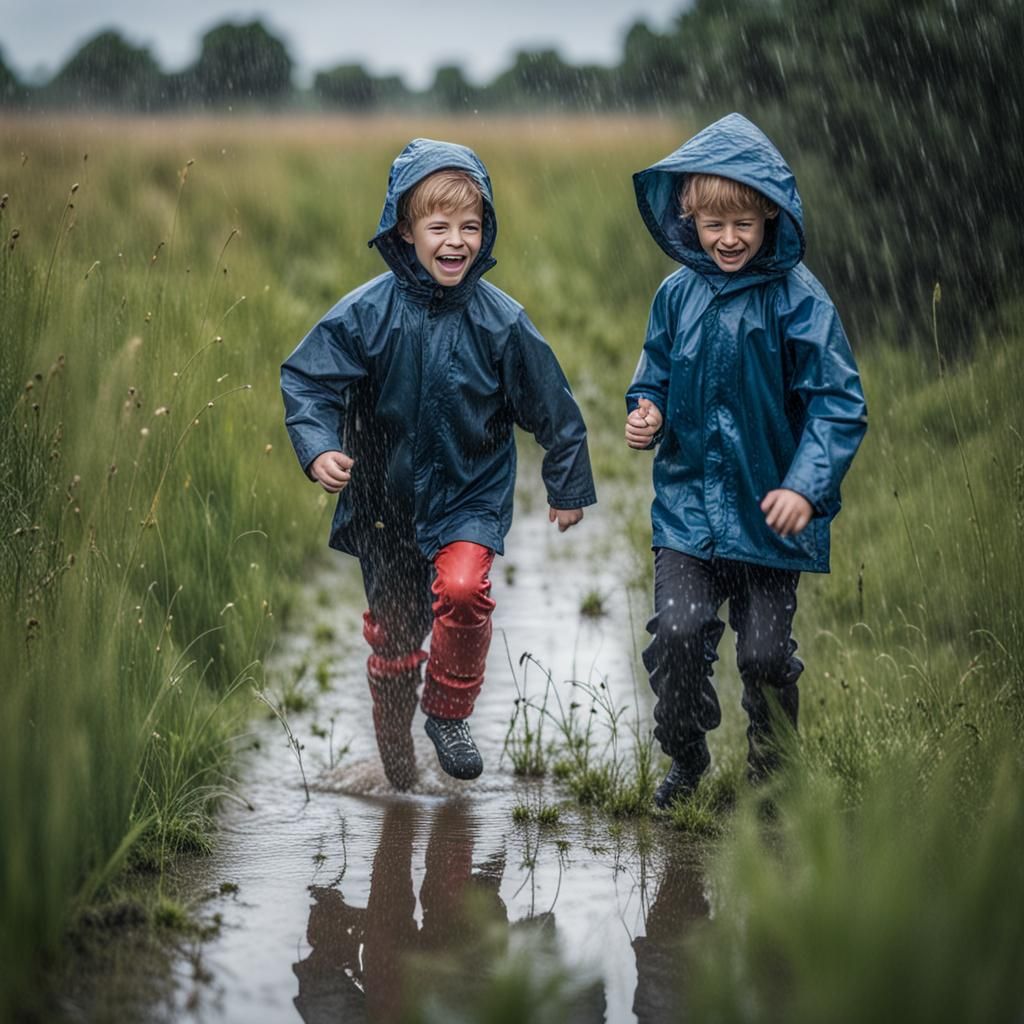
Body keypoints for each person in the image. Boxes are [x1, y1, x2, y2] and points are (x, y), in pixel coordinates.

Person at [282, 138, 596, 789]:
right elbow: (308, 381)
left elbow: (553, 408)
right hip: (384, 505)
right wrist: (318, 448)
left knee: (462, 591)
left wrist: (567, 483)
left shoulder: (501, 323)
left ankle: (447, 713)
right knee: (393, 644)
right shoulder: (368, 313)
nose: (457, 241)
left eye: (471, 226)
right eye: (440, 226)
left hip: (468, 497)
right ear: (405, 229)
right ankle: (395, 754)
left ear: (486, 231)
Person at [625, 113, 867, 808]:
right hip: (688, 512)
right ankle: (686, 755)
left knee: (763, 655)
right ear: (688, 219)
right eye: (713, 224)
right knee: (676, 636)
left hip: (772, 519)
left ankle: (771, 777)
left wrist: (804, 485)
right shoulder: (676, 294)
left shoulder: (800, 300)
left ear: (769, 217)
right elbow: (655, 372)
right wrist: (648, 409)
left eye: (743, 225)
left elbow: (839, 404)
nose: (728, 239)